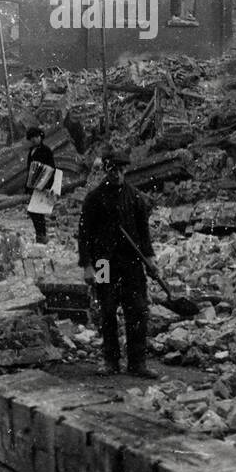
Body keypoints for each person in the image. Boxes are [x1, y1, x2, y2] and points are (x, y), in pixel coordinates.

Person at [77, 146, 156, 378]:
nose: (118, 174)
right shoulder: (94, 198)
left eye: (121, 170)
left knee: (138, 311)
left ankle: (137, 363)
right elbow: (84, 234)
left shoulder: (135, 198)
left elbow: (144, 232)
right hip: (103, 263)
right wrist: (87, 265)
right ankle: (111, 360)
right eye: (113, 170)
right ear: (106, 171)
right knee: (108, 310)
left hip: (132, 263)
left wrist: (150, 259)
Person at [24, 126, 56, 244]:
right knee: (35, 212)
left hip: (43, 185)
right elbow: (29, 171)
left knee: (36, 211)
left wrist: (48, 185)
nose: (34, 139)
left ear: (40, 137)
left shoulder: (46, 150)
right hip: (33, 185)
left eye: (36, 137)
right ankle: (40, 235)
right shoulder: (31, 151)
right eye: (31, 138)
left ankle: (41, 235)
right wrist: (27, 188)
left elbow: (52, 168)